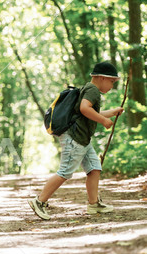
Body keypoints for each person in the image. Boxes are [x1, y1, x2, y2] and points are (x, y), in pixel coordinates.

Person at [29, 61, 124, 220]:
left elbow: (89, 112)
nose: (112, 86)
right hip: (75, 138)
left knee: (94, 168)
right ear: (101, 78)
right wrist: (103, 121)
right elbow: (84, 109)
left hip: (82, 139)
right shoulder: (93, 90)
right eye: (111, 81)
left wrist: (111, 113)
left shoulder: (88, 88)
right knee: (65, 171)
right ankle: (39, 201)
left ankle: (93, 204)